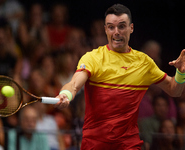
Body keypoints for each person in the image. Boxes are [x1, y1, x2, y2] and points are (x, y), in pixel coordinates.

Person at [55, 3, 185, 150]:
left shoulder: (144, 62)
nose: (116, 32)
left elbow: (175, 90)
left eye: (122, 26)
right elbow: (74, 84)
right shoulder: (93, 58)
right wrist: (66, 94)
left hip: (128, 144)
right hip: (95, 144)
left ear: (131, 28)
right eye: (111, 27)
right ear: (105, 30)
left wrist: (181, 72)